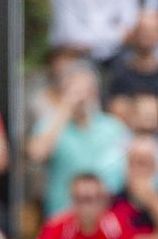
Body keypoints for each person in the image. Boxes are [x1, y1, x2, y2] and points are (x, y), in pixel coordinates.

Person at [28, 62, 131, 217]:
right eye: (75, 90)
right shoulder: (50, 124)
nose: (82, 96)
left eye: (87, 90)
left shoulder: (114, 127)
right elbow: (37, 154)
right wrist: (66, 108)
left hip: (109, 216)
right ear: (63, 92)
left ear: (96, 93)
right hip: (63, 214)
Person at [34, 173, 137, 239]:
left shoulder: (118, 226)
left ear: (103, 200)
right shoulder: (57, 225)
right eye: (79, 199)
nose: (85, 207)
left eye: (89, 199)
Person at [106, 10, 158, 119]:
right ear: (134, 34)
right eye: (142, 31)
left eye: (152, 31)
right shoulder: (120, 71)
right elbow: (115, 107)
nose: (146, 36)